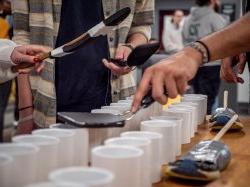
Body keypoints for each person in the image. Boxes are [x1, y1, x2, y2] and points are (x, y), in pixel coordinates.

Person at [12, 0, 154, 132]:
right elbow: (22, 35)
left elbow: (141, 25)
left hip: (117, 102)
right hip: (46, 104)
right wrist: (25, 112)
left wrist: (131, 49)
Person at [131, 10, 250, 113]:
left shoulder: (190, 21)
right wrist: (237, 48)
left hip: (197, 59)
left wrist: (194, 53)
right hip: (194, 60)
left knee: (205, 99)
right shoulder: (209, 18)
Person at [182, 0, 227, 114]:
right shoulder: (215, 18)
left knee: (197, 102)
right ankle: (204, 129)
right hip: (211, 66)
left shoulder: (187, 20)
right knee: (208, 104)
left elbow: (185, 44)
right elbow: (225, 41)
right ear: (212, 1)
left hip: (193, 66)